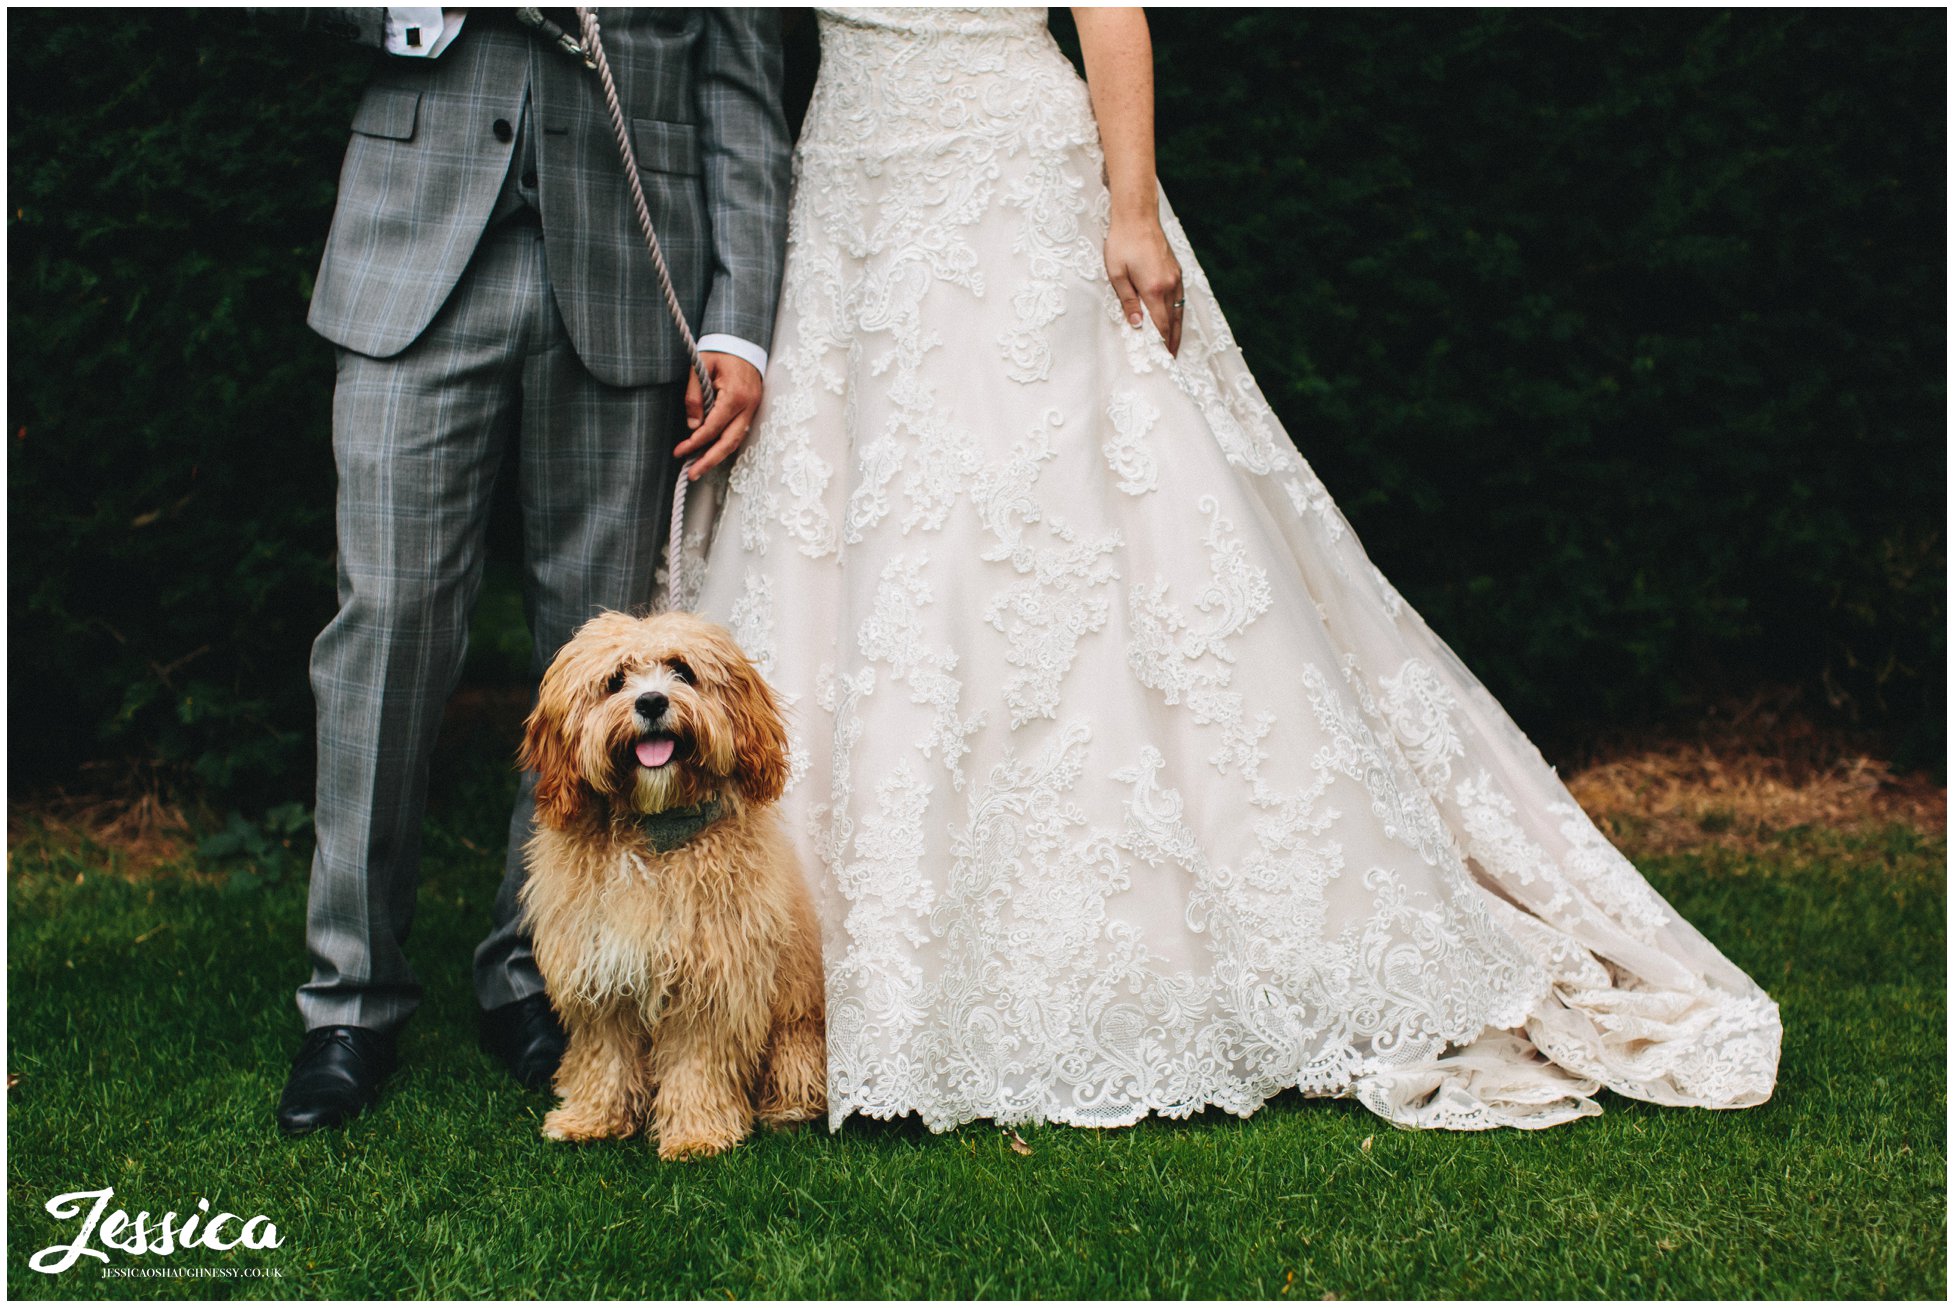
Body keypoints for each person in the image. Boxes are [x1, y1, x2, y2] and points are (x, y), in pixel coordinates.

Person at [684, 7, 1781, 1132]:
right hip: (853, 206)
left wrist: (1130, 207)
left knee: (1067, 542)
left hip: (1011, 184)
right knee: (863, 546)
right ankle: (793, 974)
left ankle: (1107, 962)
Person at [278, 7, 790, 1135]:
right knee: (386, 630)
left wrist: (739, 324)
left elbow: (742, 92)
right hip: (410, 257)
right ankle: (349, 1001)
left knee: (598, 660)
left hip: (622, 286)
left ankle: (537, 979)